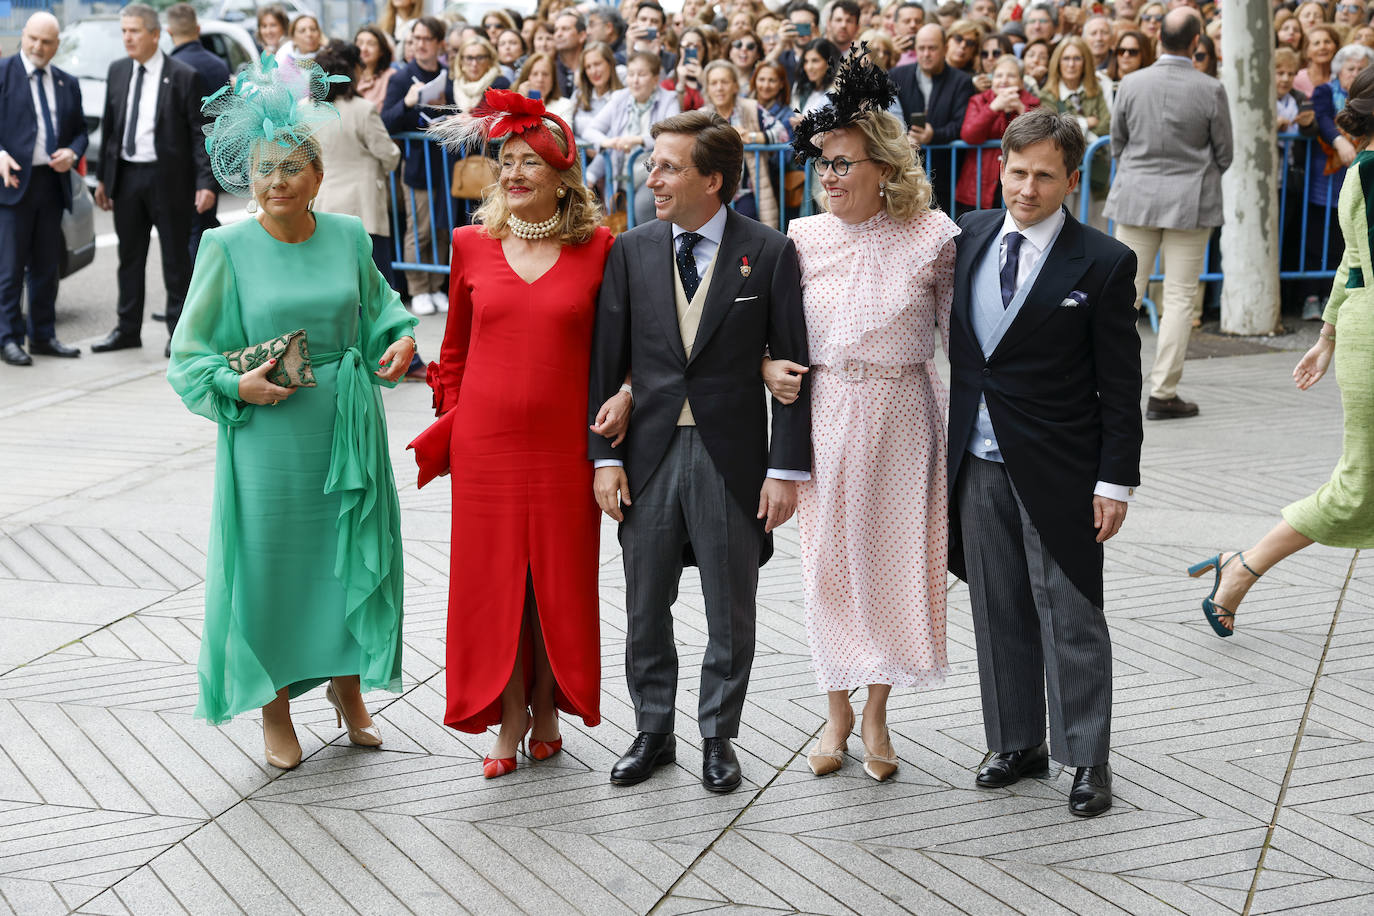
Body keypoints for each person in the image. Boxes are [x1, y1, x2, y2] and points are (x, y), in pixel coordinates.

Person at [167, 57, 416, 768]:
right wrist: (236, 387)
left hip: (345, 423)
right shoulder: (226, 246)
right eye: (265, 170)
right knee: (272, 567)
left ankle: (348, 688)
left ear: (316, 175)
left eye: (291, 170)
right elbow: (190, 356)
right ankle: (274, 703)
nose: (277, 183)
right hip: (269, 434)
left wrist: (397, 344)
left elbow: (381, 316)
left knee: (342, 561)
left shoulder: (344, 236)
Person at [587, 110, 810, 793]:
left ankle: (719, 737)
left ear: (713, 180)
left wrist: (784, 471)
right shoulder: (632, 249)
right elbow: (607, 362)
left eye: (668, 167)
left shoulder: (769, 251)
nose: (651, 176)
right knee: (644, 604)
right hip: (647, 455)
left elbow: (795, 367)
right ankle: (653, 730)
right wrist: (603, 458)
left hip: (732, 457)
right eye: (653, 163)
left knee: (729, 609)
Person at [764, 51, 958, 782]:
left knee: (896, 567)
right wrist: (761, 367)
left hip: (907, 416)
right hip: (826, 413)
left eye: (844, 164)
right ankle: (834, 708)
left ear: (884, 166)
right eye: (822, 165)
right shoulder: (803, 238)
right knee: (826, 570)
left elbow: (962, 344)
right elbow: (770, 335)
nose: (831, 178)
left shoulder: (934, 236)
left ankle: (876, 711)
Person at [948, 107, 1142, 818]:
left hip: (1062, 468)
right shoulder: (966, 236)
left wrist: (1115, 479)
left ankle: (1088, 756)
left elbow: (1121, 384)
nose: (1026, 189)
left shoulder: (1103, 259)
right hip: (976, 458)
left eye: (1044, 177)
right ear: (1003, 164)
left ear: (1072, 179)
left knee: (1072, 612)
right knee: (996, 606)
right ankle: (1016, 741)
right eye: (1018, 171)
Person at [419, 91, 612, 777]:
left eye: (532, 162)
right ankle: (506, 717)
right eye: (506, 161)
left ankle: (549, 706)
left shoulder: (600, 250)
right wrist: (451, 421)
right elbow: (454, 354)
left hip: (565, 449)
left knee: (557, 583)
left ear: (563, 176)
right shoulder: (470, 245)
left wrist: (611, 440)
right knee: (493, 583)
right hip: (486, 448)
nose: (516, 173)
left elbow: (616, 357)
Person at [1190, 65, 1374, 637]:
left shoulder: (1359, 173)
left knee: (1361, 486)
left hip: (1362, 332)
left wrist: (1324, 339)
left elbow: (1350, 266)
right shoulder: (1367, 173)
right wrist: (1329, 339)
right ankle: (1243, 568)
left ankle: (1240, 566)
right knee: (1357, 489)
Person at [1105, 8, 1231, 421]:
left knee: (1124, 294)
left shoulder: (1133, 83)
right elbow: (1225, 153)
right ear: (1196, 42)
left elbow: (1117, 141)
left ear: (1158, 38)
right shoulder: (1211, 88)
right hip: (1190, 201)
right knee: (1179, 297)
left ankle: (1109, 387)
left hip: (1137, 196)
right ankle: (1162, 392)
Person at [91, 4, 215, 357]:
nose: (127, 38)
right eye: (124, 31)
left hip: (169, 180)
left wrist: (205, 182)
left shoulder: (182, 75)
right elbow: (111, 129)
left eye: (134, 31)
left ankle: (179, 334)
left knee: (176, 259)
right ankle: (127, 329)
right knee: (129, 257)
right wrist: (104, 179)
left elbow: (197, 134)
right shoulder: (117, 71)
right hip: (128, 176)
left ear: (155, 34)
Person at [0, 11, 88, 367]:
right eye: (33, 38)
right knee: (9, 270)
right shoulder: (3, 74)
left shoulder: (67, 82)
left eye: (46, 41)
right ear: (23, 35)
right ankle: (8, 337)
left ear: (57, 45)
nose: (38, 46)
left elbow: (81, 131)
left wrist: (72, 151)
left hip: (51, 186)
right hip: (13, 185)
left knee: (46, 268)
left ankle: (43, 335)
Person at [314, 42, 402, 288]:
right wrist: (387, 163)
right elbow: (388, 152)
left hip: (322, 203)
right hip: (363, 205)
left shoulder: (304, 110)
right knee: (373, 283)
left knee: (333, 280)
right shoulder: (362, 109)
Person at [382, 16, 454, 318]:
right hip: (416, 164)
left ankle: (436, 284)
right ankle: (418, 287)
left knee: (440, 227)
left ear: (439, 44)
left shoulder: (447, 75)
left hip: (445, 162)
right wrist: (408, 103)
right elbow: (385, 121)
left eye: (426, 39)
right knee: (419, 228)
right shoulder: (402, 78)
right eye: (416, 39)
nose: (420, 45)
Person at [582, 51, 680, 226]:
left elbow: (672, 133)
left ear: (655, 78)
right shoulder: (620, 97)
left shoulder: (669, 99)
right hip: (621, 172)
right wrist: (607, 142)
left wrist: (639, 140)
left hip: (652, 170)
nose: (635, 80)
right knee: (615, 218)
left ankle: (652, 251)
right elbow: (591, 130)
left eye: (641, 75)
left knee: (642, 207)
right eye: (631, 74)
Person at [166, 4, 230, 269]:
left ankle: (191, 298)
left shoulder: (172, 67)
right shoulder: (218, 65)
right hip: (214, 157)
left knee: (187, 233)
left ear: (168, 31)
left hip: (179, 163)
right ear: (198, 29)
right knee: (204, 225)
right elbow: (229, 112)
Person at [890, 23, 976, 209]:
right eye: (921, 48)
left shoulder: (962, 82)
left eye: (932, 48)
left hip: (946, 176)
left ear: (945, 48)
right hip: (904, 176)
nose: (926, 54)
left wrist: (933, 135)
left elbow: (962, 124)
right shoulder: (897, 76)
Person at [701, 60, 782, 226]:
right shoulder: (701, 117)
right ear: (708, 89)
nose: (719, 88)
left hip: (746, 191)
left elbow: (782, 133)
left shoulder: (751, 108)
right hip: (709, 192)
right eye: (713, 83)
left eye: (724, 82)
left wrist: (750, 137)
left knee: (744, 231)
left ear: (735, 86)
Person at [957, 55, 1039, 211]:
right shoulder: (979, 100)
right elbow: (969, 135)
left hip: (1015, 183)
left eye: (1011, 75)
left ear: (1021, 82)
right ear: (992, 80)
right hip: (977, 184)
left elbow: (1037, 138)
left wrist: (1022, 110)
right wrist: (993, 108)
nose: (1004, 80)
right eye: (999, 75)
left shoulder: (1032, 102)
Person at [573, 41, 624, 137]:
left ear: (610, 63)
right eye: (588, 67)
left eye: (597, 64)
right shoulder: (578, 96)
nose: (593, 71)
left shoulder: (624, 98)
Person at [355, 25, 395, 111]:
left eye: (371, 44)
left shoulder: (391, 76)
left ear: (381, 51)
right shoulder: (348, 76)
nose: (363, 48)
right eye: (360, 43)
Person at [1295, 23, 1339, 97]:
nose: (1322, 47)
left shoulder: (1342, 77)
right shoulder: (1296, 80)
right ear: (1306, 51)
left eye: (1327, 42)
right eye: (1316, 43)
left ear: (1336, 47)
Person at [553, 10, 587, 99]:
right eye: (556, 30)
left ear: (582, 36)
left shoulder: (591, 65)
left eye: (565, 29)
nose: (558, 34)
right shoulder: (550, 68)